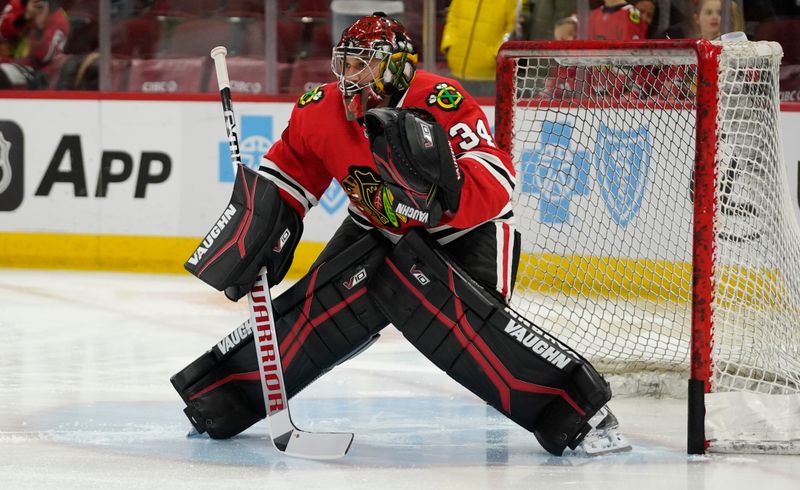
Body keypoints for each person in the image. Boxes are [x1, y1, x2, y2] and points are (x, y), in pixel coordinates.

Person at [171, 12, 629, 457]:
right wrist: (258, 233)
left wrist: (440, 195)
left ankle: (582, 416)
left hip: (464, 235)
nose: (349, 76)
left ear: (395, 65)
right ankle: (219, 399)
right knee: (315, 313)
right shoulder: (320, 110)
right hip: (376, 227)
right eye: (345, 63)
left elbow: (497, 178)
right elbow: (288, 177)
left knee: (465, 330)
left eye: (362, 64)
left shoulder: (441, 100)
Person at [440, 0, 525, 97]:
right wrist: (448, 45)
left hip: (489, 77)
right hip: (456, 70)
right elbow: (452, 18)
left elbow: (512, 30)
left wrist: (496, 55)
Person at [0, 0, 69, 89]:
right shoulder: (17, 5)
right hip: (8, 63)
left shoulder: (58, 18)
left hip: (35, 73)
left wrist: (39, 26)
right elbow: (2, 32)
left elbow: (45, 57)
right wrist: (25, 17)